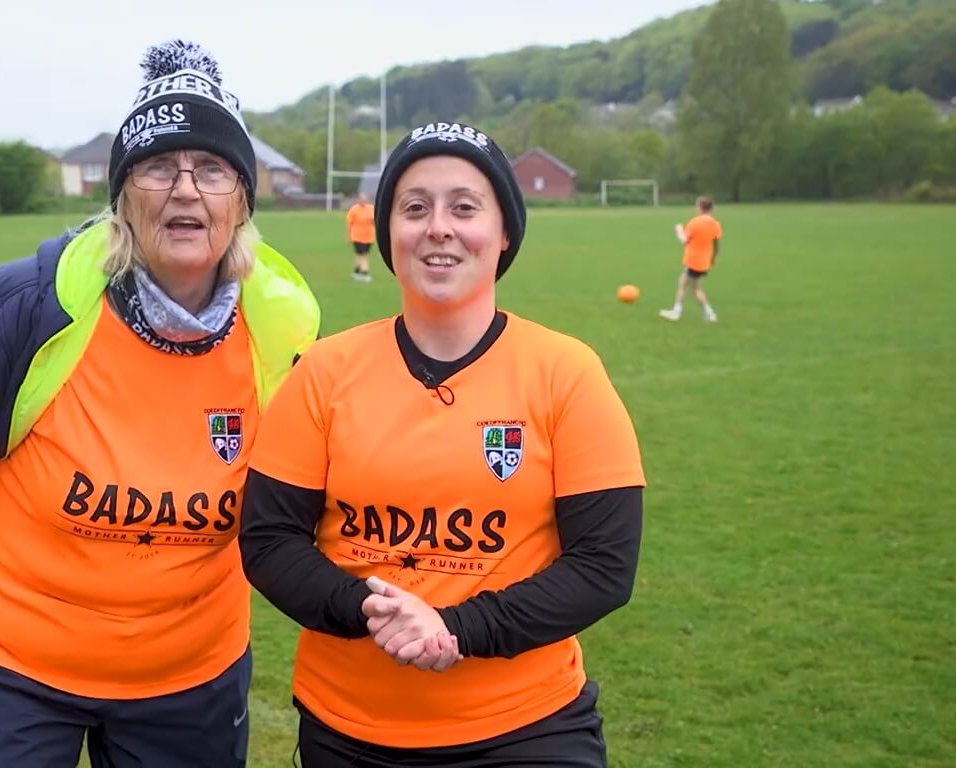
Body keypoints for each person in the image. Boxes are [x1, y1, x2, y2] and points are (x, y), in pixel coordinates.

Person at [0, 40, 319, 768]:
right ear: (122, 194)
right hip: (8, 659)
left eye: (212, 168)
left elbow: (294, 506)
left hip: (190, 676)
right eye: (158, 166)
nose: (186, 190)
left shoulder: (283, 331)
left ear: (242, 199)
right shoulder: (17, 306)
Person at [241, 121, 646, 767]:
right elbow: (268, 539)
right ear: (388, 233)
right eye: (414, 208)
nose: (438, 228)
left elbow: (603, 565)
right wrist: (368, 610)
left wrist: (457, 629)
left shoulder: (566, 371)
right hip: (349, 729)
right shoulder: (322, 371)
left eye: (464, 206)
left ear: (504, 230)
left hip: (528, 727)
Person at [659, 195, 723, 322]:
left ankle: (678, 312)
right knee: (691, 287)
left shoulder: (695, 222)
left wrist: (678, 230)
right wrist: (713, 258)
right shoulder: (715, 224)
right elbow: (716, 244)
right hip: (704, 262)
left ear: (700, 208)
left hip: (693, 261)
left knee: (687, 286)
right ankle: (708, 314)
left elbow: (684, 240)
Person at [345, 192, 376, 282]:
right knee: (363, 255)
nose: (363, 201)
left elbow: (375, 222)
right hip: (357, 237)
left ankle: (356, 272)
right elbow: (349, 224)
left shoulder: (371, 209)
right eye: (362, 199)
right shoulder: (354, 210)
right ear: (359, 200)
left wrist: (373, 220)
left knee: (361, 255)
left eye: (365, 199)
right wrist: (348, 237)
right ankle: (365, 273)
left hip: (369, 237)